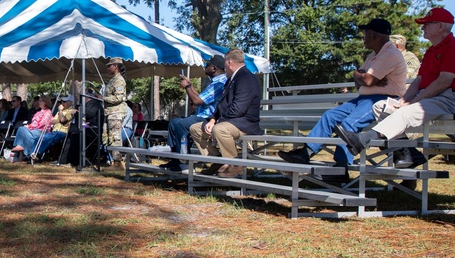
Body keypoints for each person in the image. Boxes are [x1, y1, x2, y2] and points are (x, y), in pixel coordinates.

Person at [337, 8, 455, 168]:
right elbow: (419, 81)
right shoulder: (431, 51)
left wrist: (412, 102)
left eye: (427, 24)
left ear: (441, 26)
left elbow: (444, 82)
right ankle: (409, 154)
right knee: (381, 107)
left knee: (403, 112)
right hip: (430, 97)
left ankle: (363, 139)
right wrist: (403, 100)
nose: (422, 28)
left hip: (449, 99)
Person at [277, 19, 407, 178]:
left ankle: (341, 167)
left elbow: (367, 80)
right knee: (329, 116)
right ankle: (305, 152)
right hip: (365, 98)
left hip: (382, 100)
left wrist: (362, 77)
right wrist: (359, 76)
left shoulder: (390, 54)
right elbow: (361, 82)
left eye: (365, 33)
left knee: (348, 124)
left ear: (375, 35)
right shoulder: (374, 55)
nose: (363, 37)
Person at [188, 49, 261, 178]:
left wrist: (218, 122)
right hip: (231, 120)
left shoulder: (246, 78)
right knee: (196, 129)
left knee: (219, 130)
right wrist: (212, 120)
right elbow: (222, 105)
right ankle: (216, 160)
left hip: (244, 123)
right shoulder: (232, 79)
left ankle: (234, 165)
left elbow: (238, 109)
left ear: (228, 63)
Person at [161, 55, 228, 172]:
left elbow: (196, 101)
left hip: (209, 119)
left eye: (207, 65)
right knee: (173, 122)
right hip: (201, 117)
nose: (204, 66)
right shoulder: (215, 82)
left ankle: (185, 161)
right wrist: (190, 85)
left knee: (180, 124)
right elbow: (201, 98)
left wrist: (187, 87)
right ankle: (176, 158)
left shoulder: (219, 83)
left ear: (213, 68)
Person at [9, 98, 54, 162]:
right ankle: (22, 155)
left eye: (41, 100)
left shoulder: (48, 112)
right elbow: (34, 122)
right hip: (33, 130)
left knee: (22, 129)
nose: (39, 102)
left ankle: (21, 152)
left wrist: (29, 126)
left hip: (41, 131)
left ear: (45, 102)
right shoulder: (38, 112)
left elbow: (42, 123)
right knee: (23, 132)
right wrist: (30, 126)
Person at [102, 57, 129, 155]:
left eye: (110, 66)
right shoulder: (113, 80)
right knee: (108, 136)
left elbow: (118, 98)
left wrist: (103, 98)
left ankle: (117, 161)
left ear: (116, 66)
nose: (108, 68)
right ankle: (112, 159)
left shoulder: (118, 80)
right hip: (110, 112)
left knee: (115, 137)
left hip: (116, 113)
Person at [38, 95, 76, 162]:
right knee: (39, 138)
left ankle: (38, 154)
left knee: (47, 138)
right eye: (61, 102)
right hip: (55, 131)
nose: (62, 103)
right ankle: (31, 154)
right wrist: (60, 119)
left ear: (71, 102)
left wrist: (60, 111)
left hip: (63, 132)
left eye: (64, 101)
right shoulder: (59, 112)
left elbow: (62, 119)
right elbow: (52, 121)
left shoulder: (72, 111)